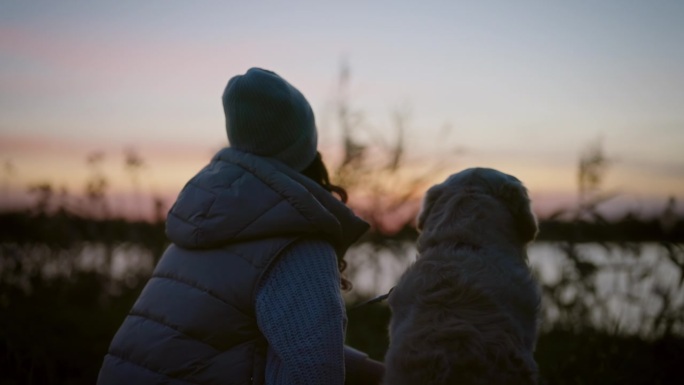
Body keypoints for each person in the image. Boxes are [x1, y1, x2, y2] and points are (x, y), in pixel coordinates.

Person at [96, 68, 384, 385]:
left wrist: (379, 372)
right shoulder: (295, 244)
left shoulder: (209, 224)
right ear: (304, 146)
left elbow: (241, 347)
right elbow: (314, 374)